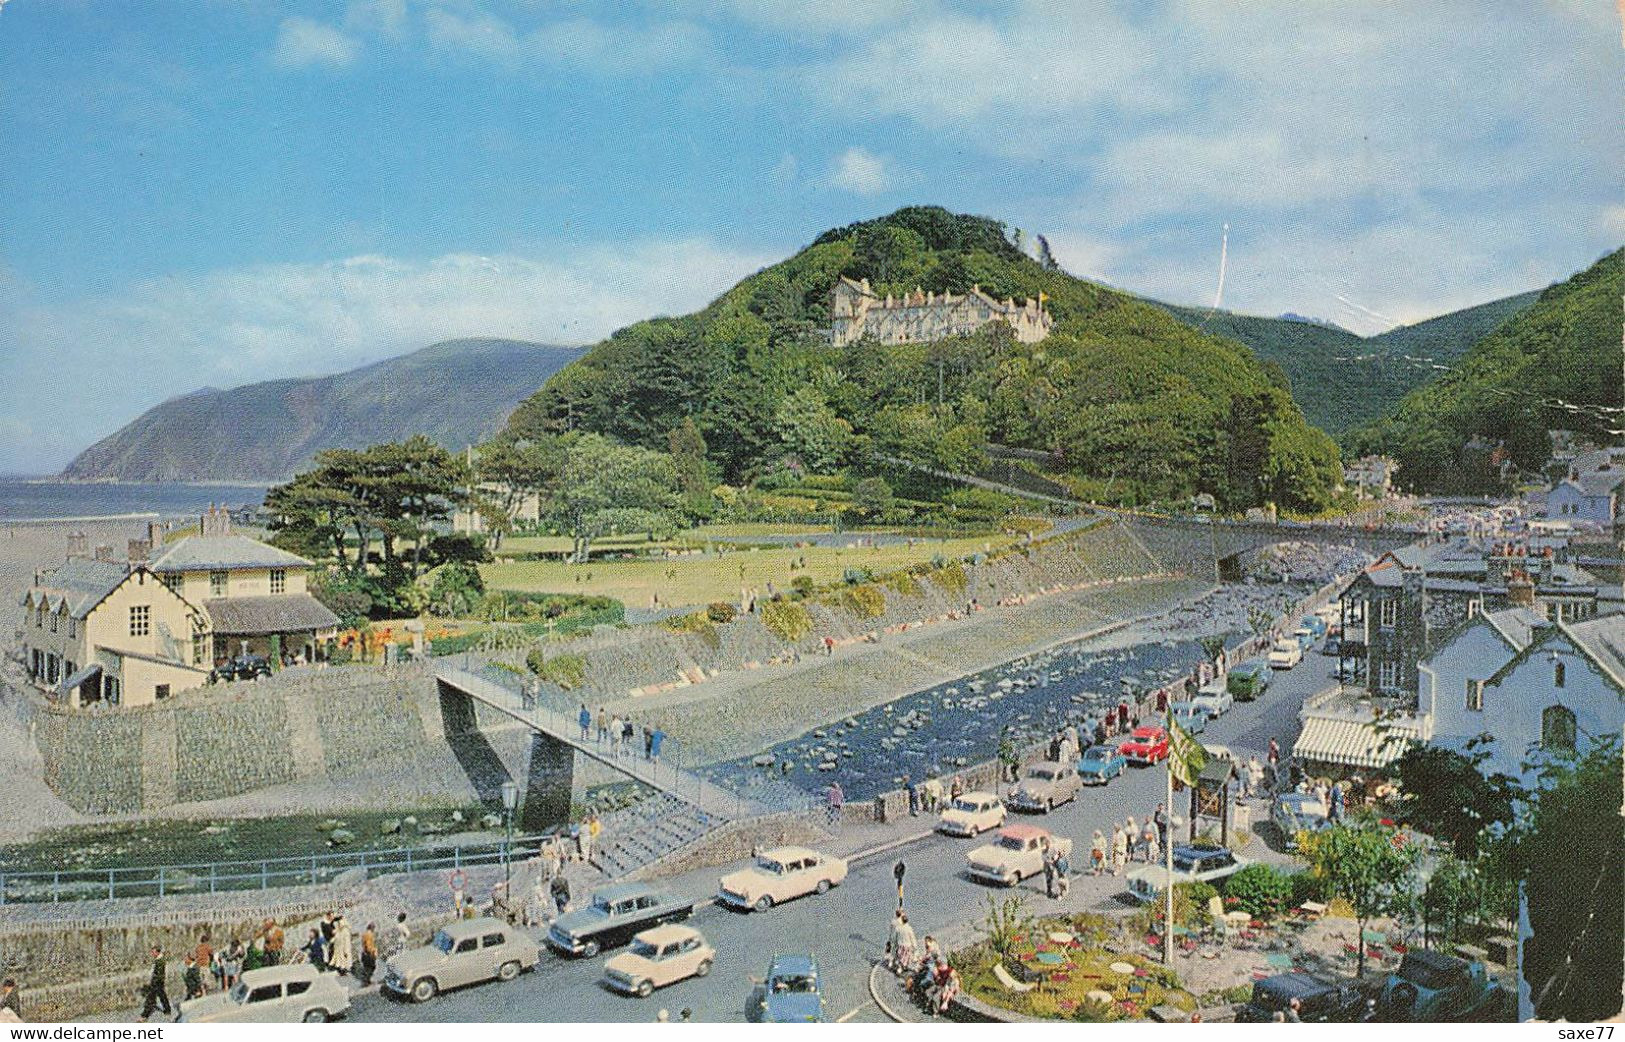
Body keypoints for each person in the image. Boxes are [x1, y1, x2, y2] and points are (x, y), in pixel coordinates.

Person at [139, 947, 171, 1022]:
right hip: (158, 981)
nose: (152, 954)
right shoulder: (159, 960)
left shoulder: (160, 961)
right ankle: (167, 1010)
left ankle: (145, 1015)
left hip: (157, 982)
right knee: (162, 995)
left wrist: (154, 981)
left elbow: (159, 973)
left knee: (151, 998)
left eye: (153, 952)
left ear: (157, 952)